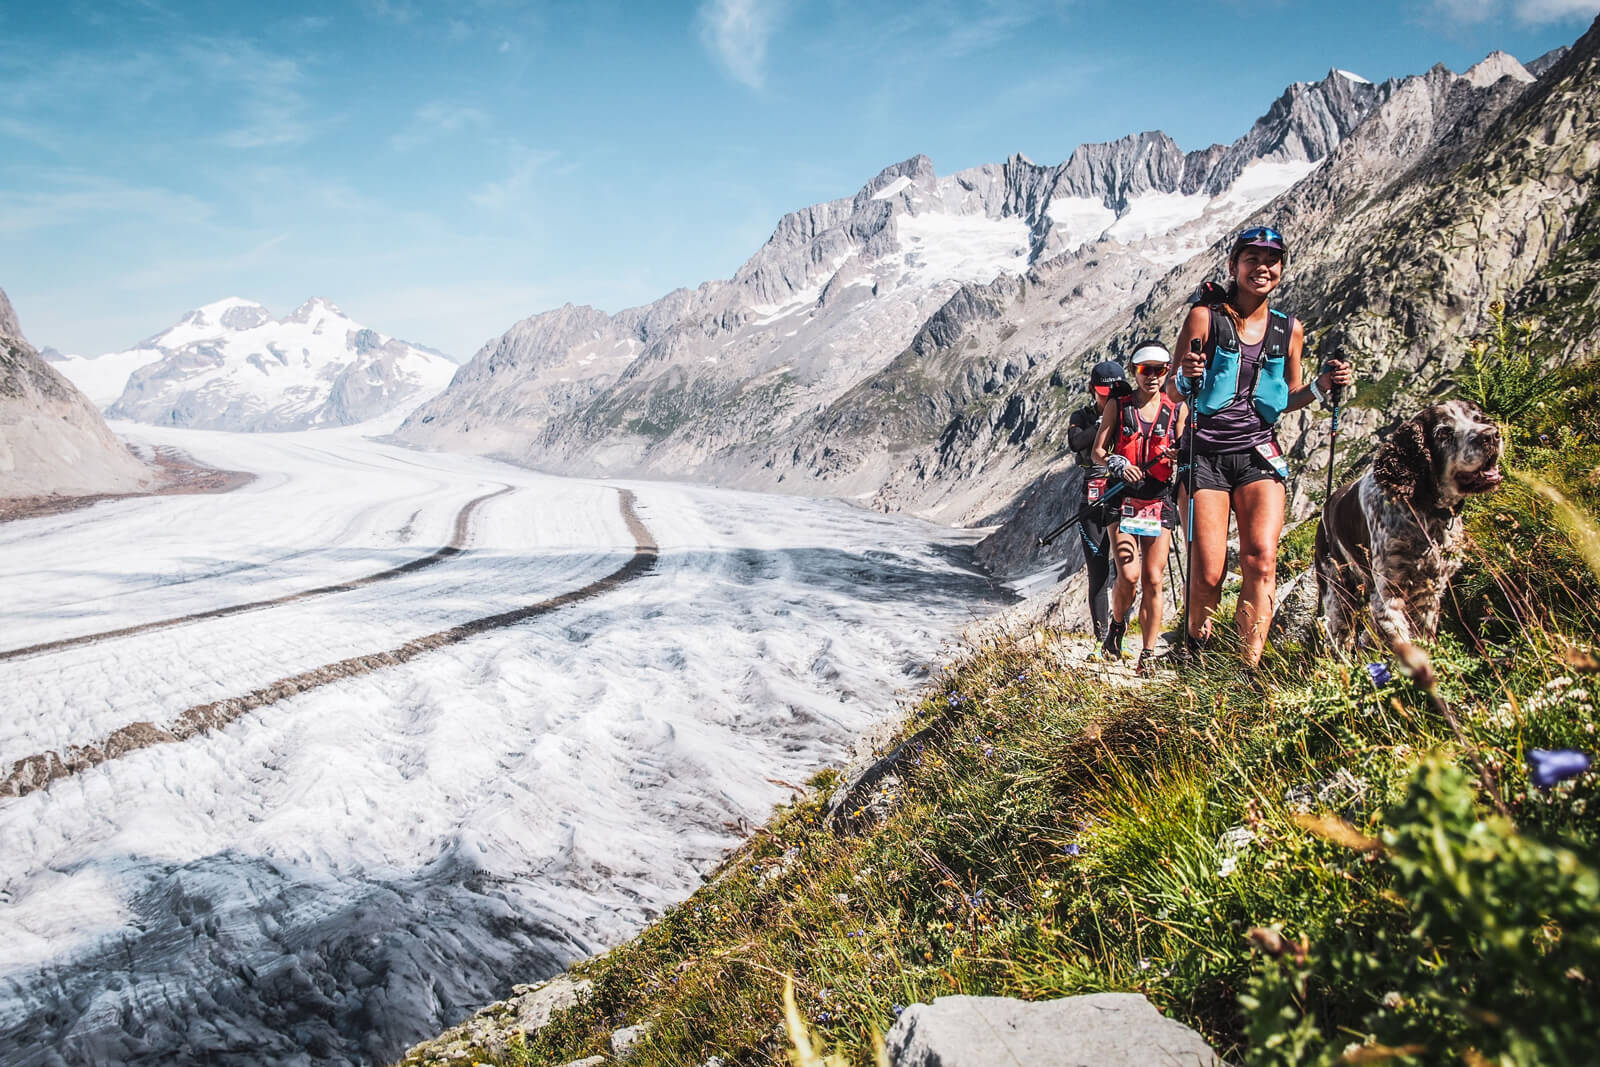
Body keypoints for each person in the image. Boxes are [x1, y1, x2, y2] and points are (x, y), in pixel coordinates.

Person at [1167, 226, 1354, 676]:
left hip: (1259, 455)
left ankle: (1243, 670)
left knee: (1261, 560)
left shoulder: (1290, 329)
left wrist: (1320, 387)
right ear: (1234, 267)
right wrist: (1186, 373)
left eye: (1272, 260)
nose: (1262, 268)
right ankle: (1194, 648)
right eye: (1252, 259)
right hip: (1206, 456)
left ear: (1282, 269)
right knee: (1209, 573)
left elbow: (1284, 396)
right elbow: (1174, 392)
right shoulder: (1203, 318)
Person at [1093, 341, 1186, 675]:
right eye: (1146, 370)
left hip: (1158, 497)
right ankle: (1117, 626)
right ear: (1135, 371)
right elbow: (1097, 451)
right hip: (1122, 497)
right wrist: (1117, 462)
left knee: (1153, 578)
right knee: (1129, 575)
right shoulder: (1119, 406)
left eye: (1160, 370)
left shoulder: (1177, 408)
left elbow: (1185, 446)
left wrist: (1179, 454)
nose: (1153, 377)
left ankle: (1147, 653)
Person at [1065, 361, 1127, 647]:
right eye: (1103, 393)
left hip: (1122, 494)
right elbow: (1076, 442)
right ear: (1093, 390)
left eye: (1112, 392)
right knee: (1099, 573)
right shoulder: (1082, 415)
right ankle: (1102, 638)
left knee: (1127, 570)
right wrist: (1106, 422)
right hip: (1091, 498)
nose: (1107, 397)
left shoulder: (1131, 413)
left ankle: (1120, 634)